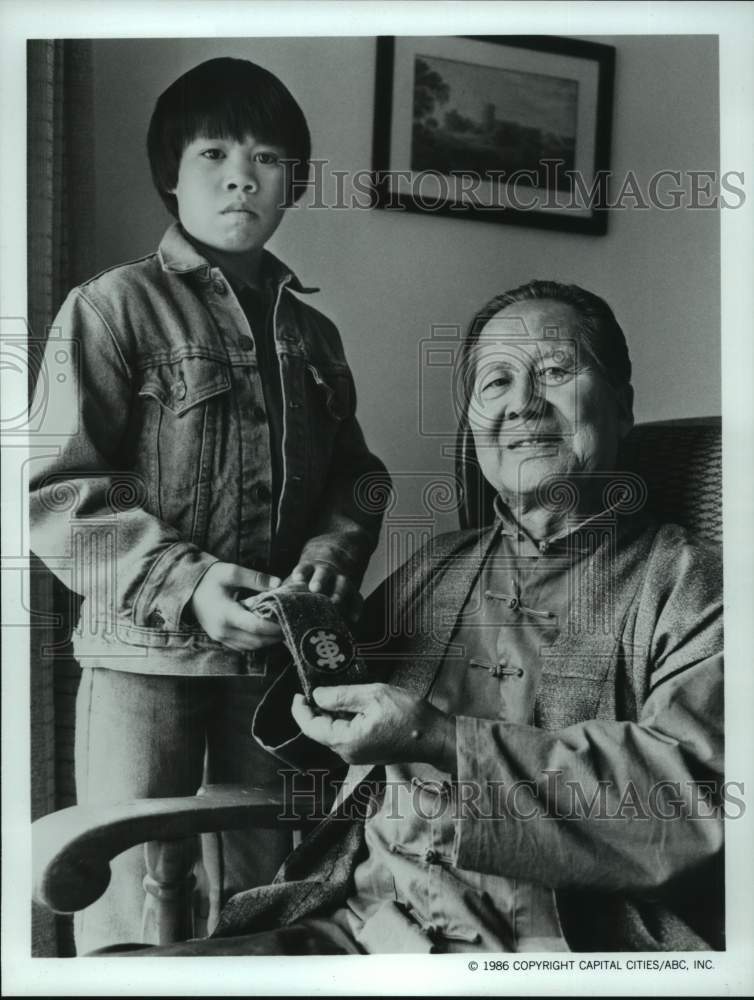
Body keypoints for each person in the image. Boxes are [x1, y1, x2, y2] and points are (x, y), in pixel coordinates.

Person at [96, 279, 724, 956]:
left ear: (623, 407)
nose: (523, 404)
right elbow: (329, 729)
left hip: (550, 951)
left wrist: (443, 740)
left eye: (556, 372)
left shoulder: (693, 584)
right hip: (357, 926)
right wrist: (294, 632)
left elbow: (697, 805)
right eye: (496, 383)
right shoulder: (439, 564)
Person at [29, 57, 388, 953]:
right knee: (122, 879)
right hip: (142, 660)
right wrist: (187, 585)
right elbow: (56, 491)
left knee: (262, 881)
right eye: (215, 153)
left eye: (268, 158)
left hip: (272, 670)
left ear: (293, 183)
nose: (242, 175)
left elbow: (360, 477)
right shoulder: (110, 309)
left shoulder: (316, 337)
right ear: (170, 176)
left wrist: (333, 555)